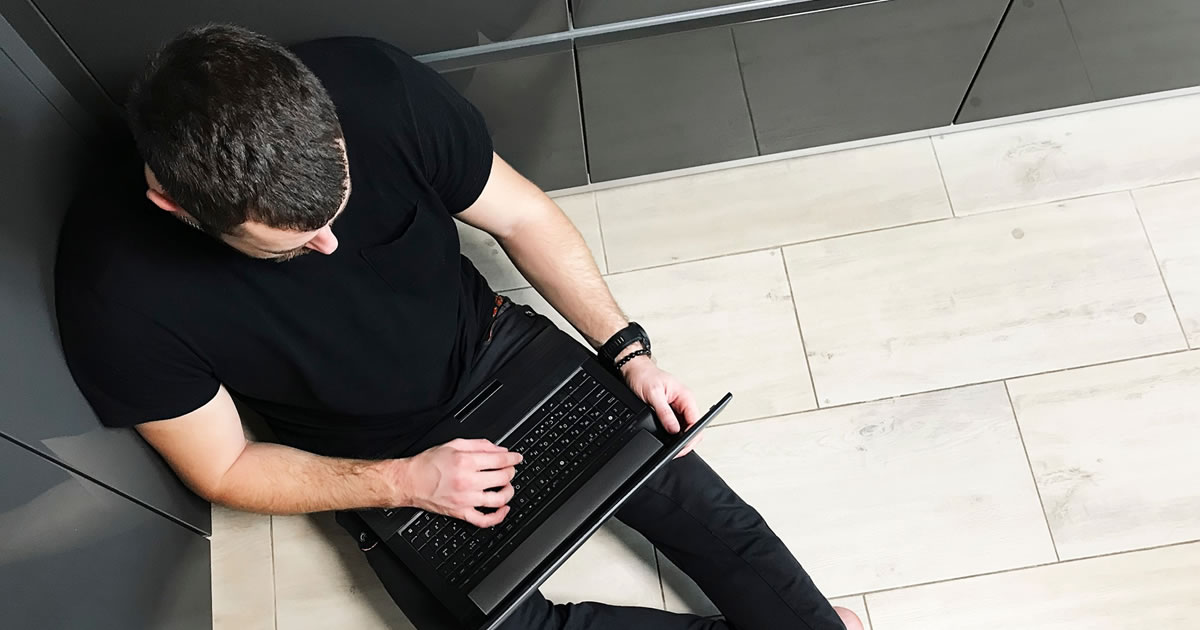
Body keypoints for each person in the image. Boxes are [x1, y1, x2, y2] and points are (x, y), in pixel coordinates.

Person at [55, 24, 861, 630]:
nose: (331, 246)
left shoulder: (374, 87)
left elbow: (523, 216)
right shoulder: (112, 290)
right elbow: (225, 466)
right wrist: (406, 481)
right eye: (295, 245)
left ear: (327, 121)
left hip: (499, 353)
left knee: (717, 523)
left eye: (334, 213)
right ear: (176, 205)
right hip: (375, 459)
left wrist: (628, 350)